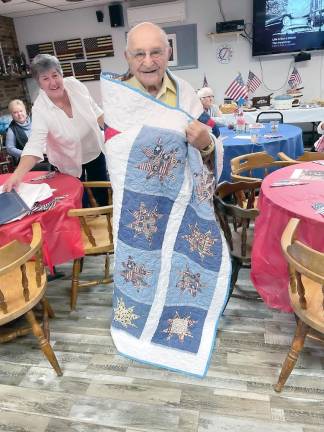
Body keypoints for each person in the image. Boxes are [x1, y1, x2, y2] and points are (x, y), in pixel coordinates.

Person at [3, 54, 108, 205]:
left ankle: (104, 213)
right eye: (45, 78)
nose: (53, 82)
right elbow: (34, 145)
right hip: (67, 159)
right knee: (77, 198)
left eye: (55, 75)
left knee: (102, 195)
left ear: (61, 74)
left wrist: (117, 134)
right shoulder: (40, 109)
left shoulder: (76, 86)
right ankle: (86, 218)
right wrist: (17, 175)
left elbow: (98, 113)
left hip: (93, 150)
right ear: (39, 83)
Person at [122, 22, 222, 175]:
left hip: (181, 191)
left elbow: (212, 133)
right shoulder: (117, 98)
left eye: (156, 52)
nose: (148, 62)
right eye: (139, 54)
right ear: (127, 57)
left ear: (168, 53)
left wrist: (206, 144)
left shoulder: (185, 94)